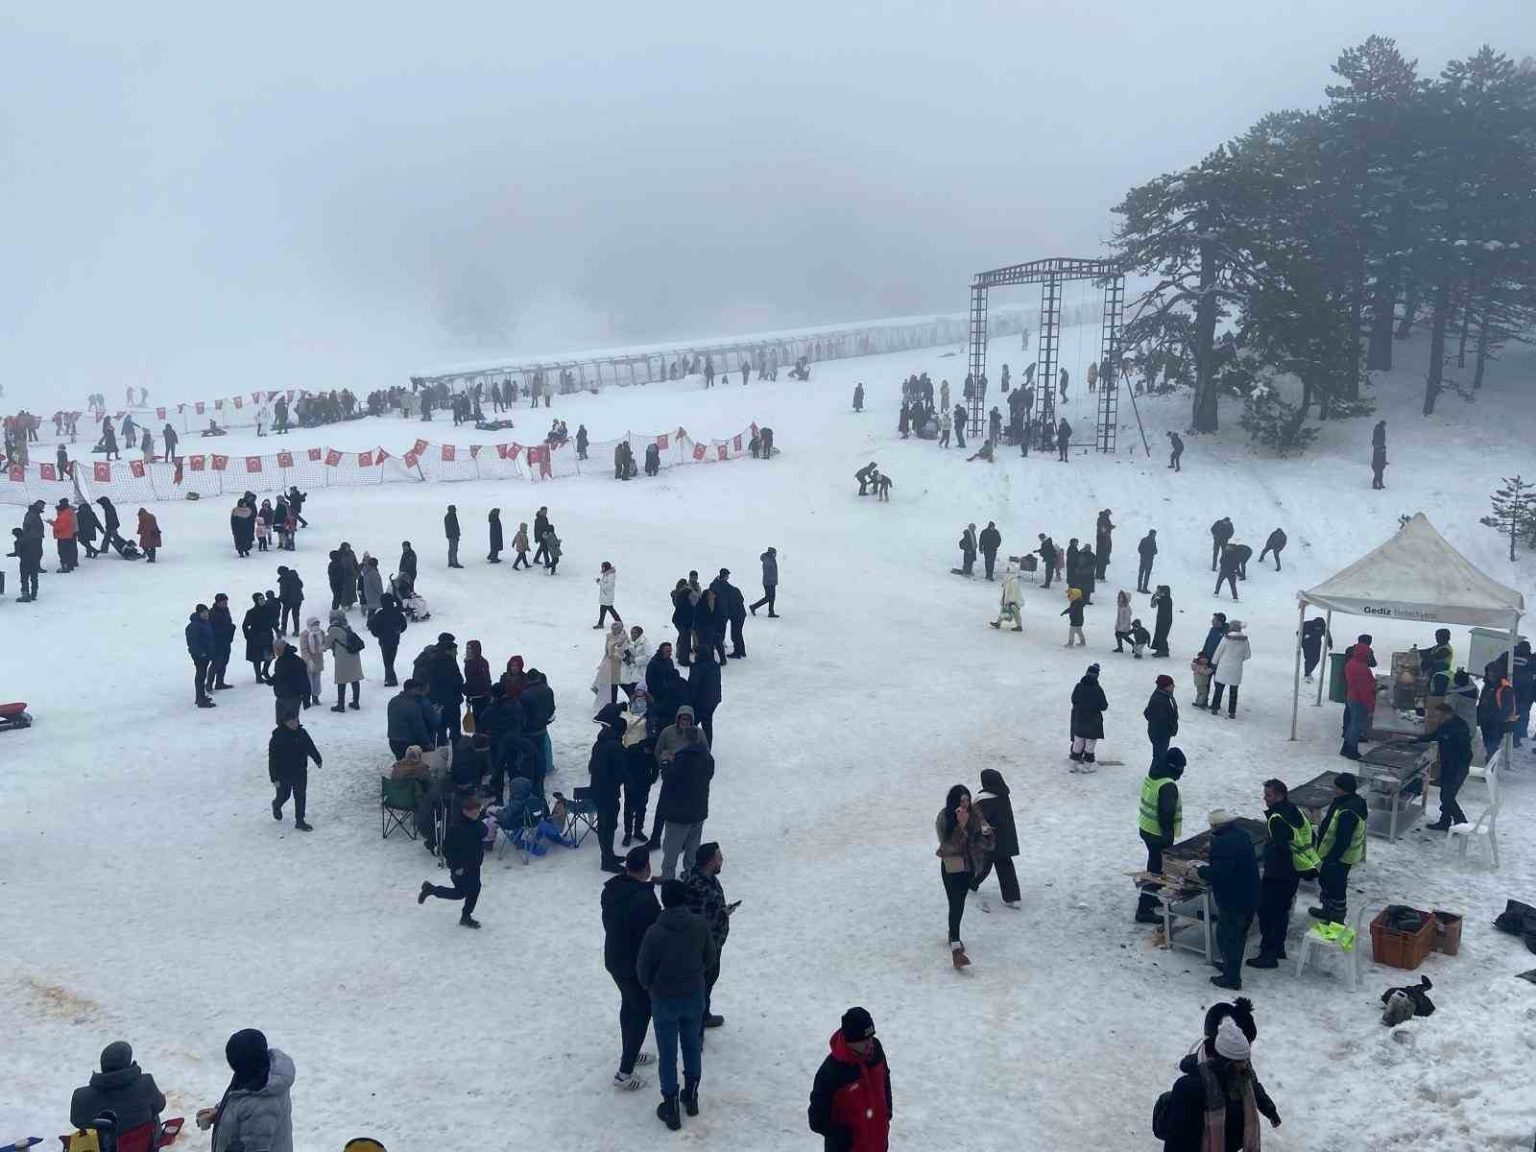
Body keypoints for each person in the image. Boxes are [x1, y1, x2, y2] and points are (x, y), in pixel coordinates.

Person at [636, 878, 715, 1130]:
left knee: (667, 1055)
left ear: (663, 901)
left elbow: (643, 973)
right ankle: (691, 1097)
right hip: (693, 996)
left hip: (665, 1001)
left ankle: (670, 1107)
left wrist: (653, 986)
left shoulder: (654, 932)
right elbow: (710, 958)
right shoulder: (700, 925)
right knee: (692, 1046)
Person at [1158, 1011, 1281, 1150]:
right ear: (1224, 1060)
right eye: (1239, 1063)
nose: (1244, 1068)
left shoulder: (1242, 1077)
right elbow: (1176, 1141)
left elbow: (1254, 1086)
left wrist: (1270, 1109)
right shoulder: (1189, 1089)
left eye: (1245, 1062)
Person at [603, 846, 661, 1090]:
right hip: (634, 964)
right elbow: (652, 937)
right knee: (642, 1009)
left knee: (629, 1004)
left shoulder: (611, 889)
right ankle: (624, 1072)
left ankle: (631, 1051)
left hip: (614, 957)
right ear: (647, 867)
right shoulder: (645, 900)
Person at [1248, 779, 1320, 970]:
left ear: (1279, 796)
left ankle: (1268, 955)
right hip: (1295, 871)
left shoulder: (1277, 819)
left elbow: (1280, 848)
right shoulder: (1296, 811)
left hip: (1278, 875)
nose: (1265, 799)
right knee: (1281, 912)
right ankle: (1278, 947)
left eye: (1269, 795)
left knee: (1268, 914)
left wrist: (1265, 856)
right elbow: (1311, 836)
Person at [808, 1007, 892, 1152]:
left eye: (871, 1038)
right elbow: (816, 1119)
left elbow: (885, 1080)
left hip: (878, 1145)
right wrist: (841, 1138)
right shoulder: (831, 1073)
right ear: (849, 1041)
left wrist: (887, 1113)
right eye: (863, 1041)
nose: (870, 1044)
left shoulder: (876, 1051)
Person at [201, 1029, 295, 1152]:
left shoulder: (261, 1107)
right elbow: (240, 1099)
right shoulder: (259, 1071)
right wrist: (220, 1112)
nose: (234, 1070)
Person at [1198, 810, 1258, 990]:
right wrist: (1213, 850)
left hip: (1234, 899)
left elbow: (1219, 873)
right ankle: (1229, 966)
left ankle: (1232, 978)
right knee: (1235, 934)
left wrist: (1199, 870)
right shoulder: (1241, 834)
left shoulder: (1223, 843)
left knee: (1229, 937)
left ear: (1216, 826)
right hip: (1249, 894)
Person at [935, 784, 993, 967]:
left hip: (969, 868)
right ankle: (955, 945)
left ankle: (953, 935)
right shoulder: (944, 817)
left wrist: (986, 834)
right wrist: (961, 827)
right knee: (955, 903)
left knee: (958, 903)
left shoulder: (976, 814)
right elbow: (947, 847)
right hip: (952, 866)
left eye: (968, 799)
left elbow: (989, 844)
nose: (966, 804)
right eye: (962, 801)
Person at [682, 842, 732, 1033]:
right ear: (710, 861)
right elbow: (700, 920)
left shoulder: (707, 878)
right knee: (701, 987)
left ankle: (704, 1015)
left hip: (713, 944)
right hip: (702, 947)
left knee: (708, 983)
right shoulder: (698, 886)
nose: (722, 860)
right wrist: (722, 914)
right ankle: (696, 1029)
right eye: (719, 857)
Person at [71, 1040, 167, 1137]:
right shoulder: (145, 1083)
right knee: (152, 1110)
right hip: (142, 1143)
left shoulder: (81, 1096)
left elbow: (76, 1122)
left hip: (103, 1144)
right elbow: (160, 1105)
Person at [418, 794, 487, 928]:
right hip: (460, 867)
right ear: (465, 811)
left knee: (475, 889)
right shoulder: (456, 828)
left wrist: (478, 820)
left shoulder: (476, 824)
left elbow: (484, 831)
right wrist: (457, 867)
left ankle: (466, 916)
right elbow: (447, 849)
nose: (476, 814)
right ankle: (431, 889)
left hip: (474, 864)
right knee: (460, 893)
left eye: (477, 812)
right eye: (473, 812)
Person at [1134, 748, 1186, 923]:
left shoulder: (1154, 774)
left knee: (1155, 865)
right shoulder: (1168, 786)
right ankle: (1144, 908)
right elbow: (1166, 813)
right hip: (1158, 833)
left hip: (1146, 828)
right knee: (1156, 871)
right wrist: (1168, 837)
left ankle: (1154, 897)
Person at [1309, 773, 1367, 923]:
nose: (1333, 789)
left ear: (1344, 789)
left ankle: (1337, 918)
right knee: (1327, 882)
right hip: (1333, 854)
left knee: (1336, 887)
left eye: (1336, 787)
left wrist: (1332, 859)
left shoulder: (1348, 811)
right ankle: (1327, 911)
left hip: (1340, 857)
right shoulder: (1346, 801)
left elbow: (1343, 840)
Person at [658, 727, 715, 880]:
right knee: (693, 845)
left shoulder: (682, 758)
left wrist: (666, 761)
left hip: (679, 811)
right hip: (699, 808)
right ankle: (690, 873)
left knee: (672, 846)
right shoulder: (708, 758)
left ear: (685, 739)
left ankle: (667, 876)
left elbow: (668, 777)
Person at [1412, 703, 1472, 829]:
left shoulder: (1458, 728)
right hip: (1448, 765)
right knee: (1447, 795)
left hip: (1457, 767)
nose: (1437, 719)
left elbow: (1462, 750)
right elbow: (1435, 735)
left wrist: (1456, 768)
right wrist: (1416, 740)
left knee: (1447, 797)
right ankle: (1445, 822)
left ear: (1447, 714)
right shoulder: (1446, 725)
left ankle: (1461, 821)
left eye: (1439, 716)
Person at [970, 768, 1020, 909]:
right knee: (1005, 866)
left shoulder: (982, 800)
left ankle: (971, 883)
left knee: (983, 863)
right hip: (1006, 839)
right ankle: (1012, 898)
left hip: (989, 839)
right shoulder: (1004, 795)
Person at [588, 703, 628, 872]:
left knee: (606, 824)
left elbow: (593, 767)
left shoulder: (602, 741)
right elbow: (620, 771)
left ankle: (608, 854)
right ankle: (607, 860)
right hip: (608, 792)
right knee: (608, 826)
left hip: (599, 790)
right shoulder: (614, 746)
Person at [268, 713, 321, 831]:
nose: (294, 725)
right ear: (285, 723)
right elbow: (272, 759)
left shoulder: (302, 733)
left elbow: (310, 747)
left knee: (300, 795)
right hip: (283, 773)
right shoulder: (277, 737)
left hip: (300, 771)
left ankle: (300, 821)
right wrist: (274, 778)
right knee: (284, 795)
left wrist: (318, 759)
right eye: (291, 723)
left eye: (296, 722)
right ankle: (276, 804)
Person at [1341, 642, 1377, 758]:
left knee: (1352, 724)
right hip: (1359, 699)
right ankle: (1352, 750)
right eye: (1368, 654)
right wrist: (1371, 704)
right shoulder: (1362, 668)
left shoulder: (1351, 663)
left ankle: (1346, 747)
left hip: (1351, 696)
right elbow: (1364, 689)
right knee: (1357, 726)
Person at [323, 609, 364, 713]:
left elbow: (327, 644)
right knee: (355, 679)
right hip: (353, 655)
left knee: (341, 680)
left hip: (343, 658)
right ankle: (356, 702)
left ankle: (341, 705)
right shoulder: (347, 627)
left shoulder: (333, 629)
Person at [1070, 663, 1107, 769]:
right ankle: (1087, 766)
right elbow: (1104, 706)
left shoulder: (1079, 686)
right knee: (1090, 744)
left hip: (1080, 720)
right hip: (1093, 722)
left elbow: (1074, 699)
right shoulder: (1098, 690)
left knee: (1078, 742)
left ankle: (1074, 765)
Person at [1209, 621, 1250, 718]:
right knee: (1234, 691)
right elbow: (1248, 655)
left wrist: (1214, 662)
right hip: (1236, 668)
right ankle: (1232, 712)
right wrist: (1239, 659)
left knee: (1219, 689)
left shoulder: (1226, 639)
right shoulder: (1245, 640)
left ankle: (1215, 708)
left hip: (1223, 667)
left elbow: (1218, 652)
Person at [369, 593, 408, 687]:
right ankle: (389, 677)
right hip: (395, 638)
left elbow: (374, 626)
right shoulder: (397, 612)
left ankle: (390, 679)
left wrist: (377, 634)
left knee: (387, 660)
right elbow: (404, 624)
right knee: (390, 659)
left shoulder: (380, 614)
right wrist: (398, 631)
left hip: (384, 640)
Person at [270, 638, 310, 722]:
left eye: (275, 650)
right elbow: (279, 675)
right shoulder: (280, 660)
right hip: (281, 697)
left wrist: (306, 698)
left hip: (292, 698)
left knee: (291, 723)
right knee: (281, 723)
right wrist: (271, 680)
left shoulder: (296, 662)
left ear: (280, 649)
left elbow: (304, 680)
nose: (275, 652)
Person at [1144, 674, 1179, 771]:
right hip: (1160, 735)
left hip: (1161, 734)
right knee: (1159, 757)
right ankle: (1153, 776)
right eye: (1172, 685)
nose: (1174, 686)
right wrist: (1169, 730)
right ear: (1166, 686)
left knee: (1160, 756)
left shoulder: (1165, 695)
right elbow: (1156, 718)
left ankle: (1155, 774)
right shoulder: (1160, 700)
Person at [187, 604, 217, 709]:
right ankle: (200, 700)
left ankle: (200, 697)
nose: (206, 614)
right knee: (200, 676)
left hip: (206, 654)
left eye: (206, 612)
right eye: (203, 613)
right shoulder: (195, 625)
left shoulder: (204, 623)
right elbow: (193, 642)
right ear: (199, 613)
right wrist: (201, 653)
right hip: (199, 655)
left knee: (202, 675)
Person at [242, 593, 275, 683]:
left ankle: (265, 671)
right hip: (256, 637)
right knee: (257, 658)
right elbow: (245, 625)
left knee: (270, 656)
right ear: (256, 601)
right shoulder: (251, 612)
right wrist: (248, 636)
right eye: (260, 599)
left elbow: (273, 622)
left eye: (263, 598)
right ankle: (258, 676)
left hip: (267, 636)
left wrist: (277, 631)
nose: (262, 600)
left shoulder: (268, 610)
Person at [208, 593, 235, 692]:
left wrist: (231, 629)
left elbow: (228, 622)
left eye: (226, 601)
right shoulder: (212, 613)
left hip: (226, 641)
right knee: (216, 663)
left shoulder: (226, 610)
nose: (225, 603)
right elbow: (210, 629)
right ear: (218, 602)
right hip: (217, 643)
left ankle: (220, 682)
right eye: (223, 602)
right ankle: (209, 684)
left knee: (224, 662)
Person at [298, 616, 326, 708]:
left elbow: (325, 643)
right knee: (307, 681)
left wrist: (324, 647)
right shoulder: (305, 634)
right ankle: (306, 698)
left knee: (317, 681)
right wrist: (309, 660)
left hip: (318, 660)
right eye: (314, 624)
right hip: (308, 661)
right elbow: (304, 649)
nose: (316, 625)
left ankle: (315, 697)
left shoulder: (321, 633)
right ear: (309, 625)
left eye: (317, 623)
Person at [990, 565, 1023, 631]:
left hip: (1012, 600)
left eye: (1008, 569)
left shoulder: (1013, 580)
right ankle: (998, 623)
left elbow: (1016, 592)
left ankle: (1019, 626)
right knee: (1005, 611)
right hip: (1007, 599)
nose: (1006, 570)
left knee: (1015, 613)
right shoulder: (1008, 579)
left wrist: (1013, 601)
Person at [1301, 614, 1331, 682]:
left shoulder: (1323, 626)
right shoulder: (1307, 625)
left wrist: (1330, 643)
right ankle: (1307, 674)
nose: (1318, 628)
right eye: (1317, 627)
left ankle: (1309, 671)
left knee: (1316, 659)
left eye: (1319, 628)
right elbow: (1298, 633)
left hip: (1317, 645)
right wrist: (1305, 637)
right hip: (1307, 644)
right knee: (1309, 659)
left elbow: (1327, 634)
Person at [749, 547, 778, 617]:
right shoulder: (768, 560)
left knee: (772, 597)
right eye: (775, 553)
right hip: (768, 582)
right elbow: (768, 572)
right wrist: (771, 580)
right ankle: (753, 607)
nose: (776, 554)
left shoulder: (771, 559)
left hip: (771, 582)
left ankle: (771, 612)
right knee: (768, 598)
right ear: (771, 553)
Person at [595, 561, 622, 629]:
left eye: (603, 567)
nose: (602, 568)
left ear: (606, 567)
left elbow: (609, 586)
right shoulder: (606, 574)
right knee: (604, 610)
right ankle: (601, 624)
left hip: (607, 597)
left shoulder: (611, 575)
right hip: (605, 596)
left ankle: (619, 622)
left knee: (609, 610)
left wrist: (600, 582)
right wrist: (600, 582)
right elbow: (605, 584)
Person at [1150, 585, 1173, 657]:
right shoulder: (1161, 598)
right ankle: (1164, 650)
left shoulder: (1167, 600)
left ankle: (1161, 651)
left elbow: (1158, 602)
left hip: (1166, 620)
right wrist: (1154, 597)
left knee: (1162, 635)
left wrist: (1157, 596)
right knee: (1159, 634)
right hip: (1160, 619)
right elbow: (1153, 605)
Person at [1371, 420, 1387, 489]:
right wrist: (1380, 446)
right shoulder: (1379, 430)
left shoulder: (1380, 429)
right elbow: (1378, 440)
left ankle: (1380, 482)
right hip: (1378, 450)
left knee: (1380, 469)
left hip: (1380, 449)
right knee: (1378, 469)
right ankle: (1376, 483)